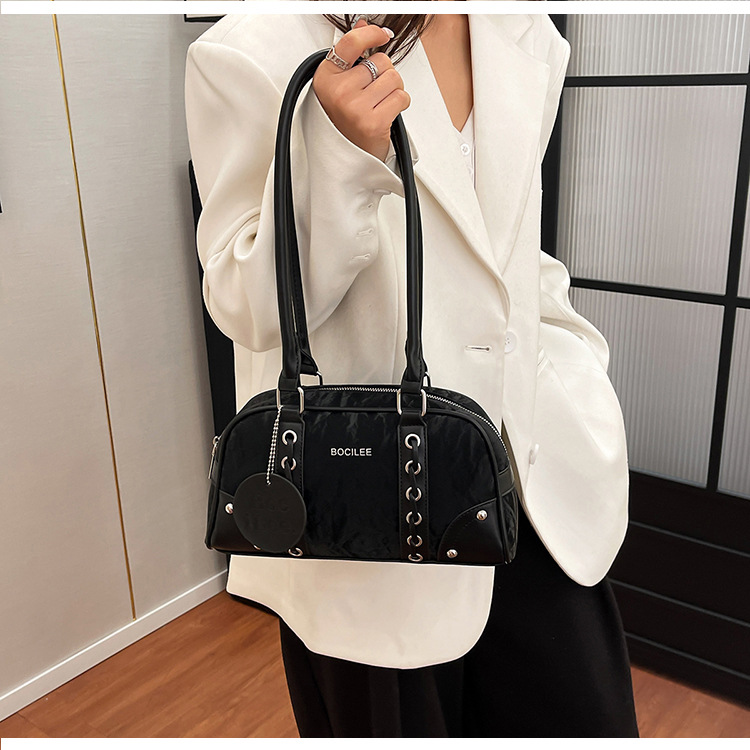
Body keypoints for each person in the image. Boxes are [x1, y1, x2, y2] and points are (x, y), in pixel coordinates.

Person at [185, 10, 640, 738]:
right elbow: (245, 305)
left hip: (534, 487)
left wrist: (579, 366)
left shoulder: (520, 27)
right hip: (367, 529)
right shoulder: (251, 48)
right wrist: (337, 156)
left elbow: (512, 252)